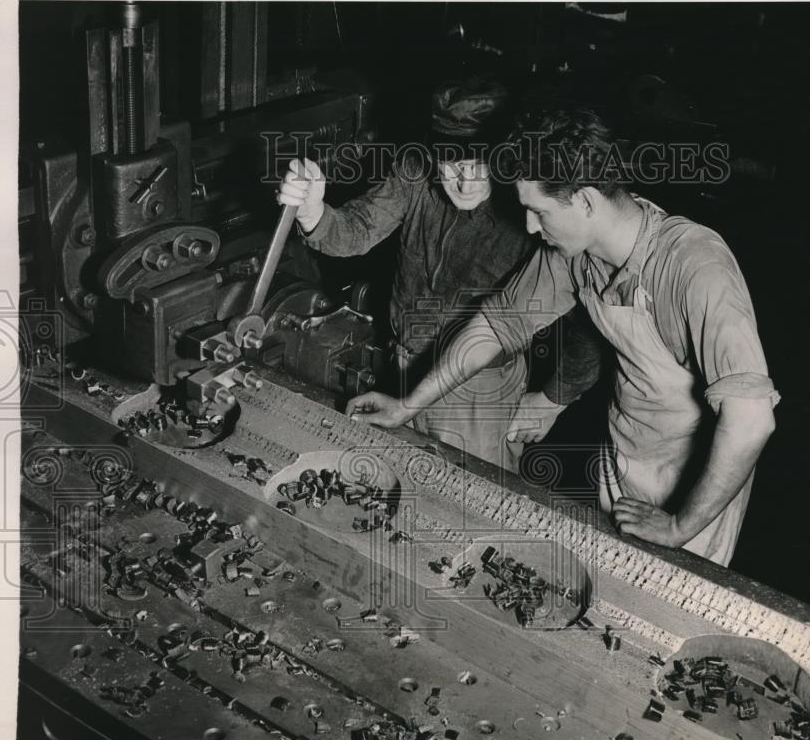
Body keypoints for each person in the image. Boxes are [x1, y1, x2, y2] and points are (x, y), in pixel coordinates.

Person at [345, 107, 779, 567]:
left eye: (538, 211)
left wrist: (678, 526)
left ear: (586, 201)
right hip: (626, 452)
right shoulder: (578, 253)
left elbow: (750, 421)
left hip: (696, 482)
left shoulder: (695, 265)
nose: (530, 227)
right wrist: (410, 404)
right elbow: (497, 324)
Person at [277, 79, 599, 472]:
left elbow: (588, 313)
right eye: (449, 165)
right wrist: (313, 212)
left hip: (478, 393)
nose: (462, 183)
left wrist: (554, 398)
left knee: (467, 507)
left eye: (476, 166)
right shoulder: (415, 170)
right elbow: (357, 229)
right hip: (401, 368)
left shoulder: (534, 211)